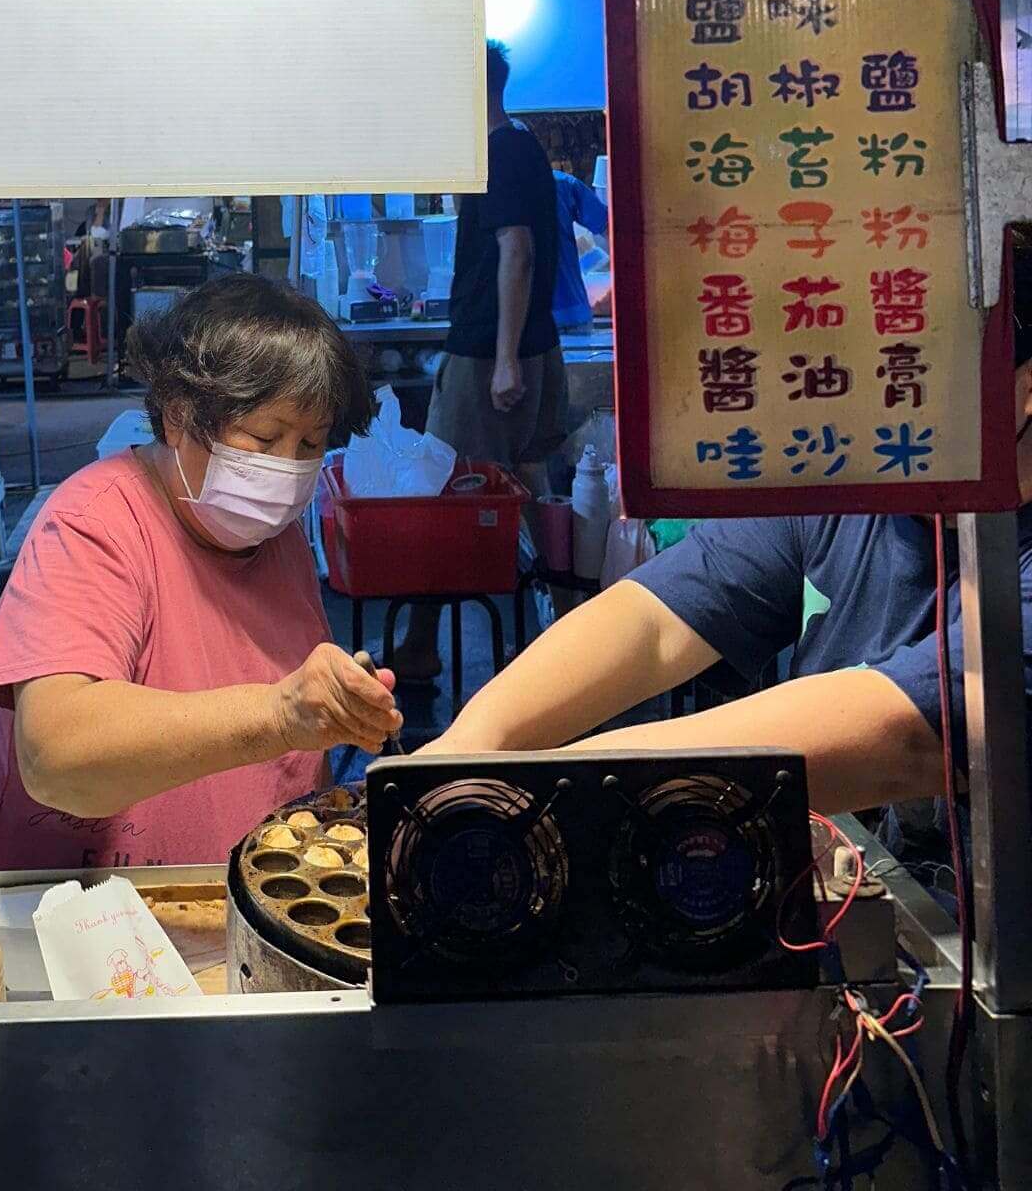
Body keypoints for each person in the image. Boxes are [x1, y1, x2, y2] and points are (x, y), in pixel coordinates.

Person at [426, 254, 1032, 842]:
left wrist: (545, 789)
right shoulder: (857, 488)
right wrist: (459, 753)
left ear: (1026, 389)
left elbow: (904, 736)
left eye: (913, 365)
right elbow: (655, 621)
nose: (875, 390)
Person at [0, 275, 401, 871]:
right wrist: (281, 713)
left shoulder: (278, 541)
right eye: (264, 438)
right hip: (76, 904)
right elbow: (56, 755)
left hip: (240, 890)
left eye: (310, 445)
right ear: (180, 416)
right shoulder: (93, 528)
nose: (287, 469)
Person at [395, 40, 567, 680]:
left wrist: (503, 361)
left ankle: (421, 646)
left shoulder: (501, 154)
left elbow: (516, 252)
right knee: (532, 500)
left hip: (488, 357)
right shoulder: (520, 147)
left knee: (445, 494)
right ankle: (559, 643)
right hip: (526, 347)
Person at [552, 169, 608, 335]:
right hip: (570, 314)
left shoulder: (494, 189)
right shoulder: (562, 183)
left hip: (516, 318)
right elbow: (613, 231)